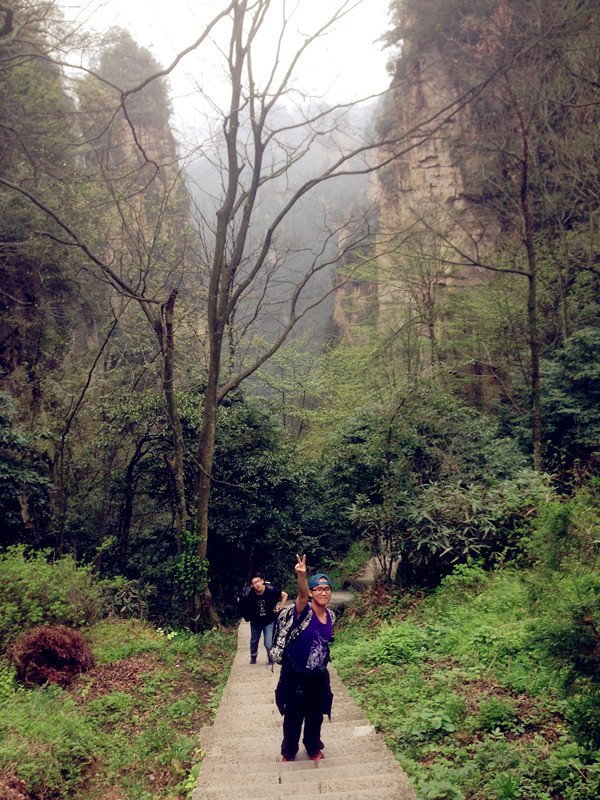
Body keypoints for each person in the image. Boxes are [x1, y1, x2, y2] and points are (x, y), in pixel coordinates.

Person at [275, 554, 335, 762]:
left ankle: (312, 746)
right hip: (295, 674)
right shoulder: (303, 611)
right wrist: (302, 575)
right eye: (318, 589)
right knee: (293, 716)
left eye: (327, 589)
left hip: (317, 675)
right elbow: (301, 595)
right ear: (311, 592)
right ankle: (289, 751)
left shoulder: (331, 616)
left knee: (315, 715)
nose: (323, 592)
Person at [239, 573, 288, 664]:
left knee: (268, 643)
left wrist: (280, 608)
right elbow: (241, 600)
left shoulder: (271, 590)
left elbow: (284, 595)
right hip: (255, 621)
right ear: (252, 585)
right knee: (254, 641)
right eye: (254, 583)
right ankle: (253, 656)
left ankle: (271, 657)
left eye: (258, 581)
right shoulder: (250, 593)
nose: (257, 584)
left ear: (262, 581)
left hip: (269, 620)